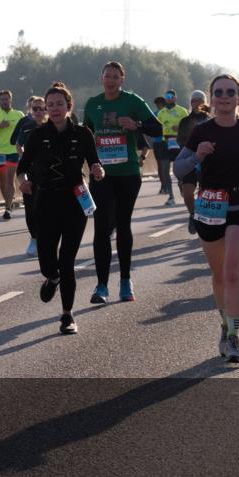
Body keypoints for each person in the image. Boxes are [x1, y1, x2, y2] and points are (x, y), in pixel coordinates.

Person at [173, 74, 239, 364]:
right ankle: (225, 326)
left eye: (230, 92)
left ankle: (235, 335)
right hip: (211, 208)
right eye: (219, 92)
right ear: (212, 99)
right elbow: (179, 169)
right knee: (218, 275)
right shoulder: (201, 132)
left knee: (231, 270)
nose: (224, 96)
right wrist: (197, 157)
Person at [18, 85, 104, 335]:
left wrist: (98, 171)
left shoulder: (82, 133)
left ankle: (67, 315)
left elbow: (94, 161)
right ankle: (51, 277)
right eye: (50, 105)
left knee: (67, 261)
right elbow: (22, 166)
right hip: (45, 202)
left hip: (75, 203)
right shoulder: (37, 135)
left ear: (69, 106)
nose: (54, 109)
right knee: (47, 261)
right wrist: (23, 180)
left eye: (59, 104)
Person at [82, 61, 163, 303]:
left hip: (127, 174)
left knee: (123, 224)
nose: (111, 80)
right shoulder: (92, 104)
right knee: (101, 229)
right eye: (107, 76)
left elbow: (157, 129)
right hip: (102, 176)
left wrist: (136, 125)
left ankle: (126, 281)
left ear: (122, 79)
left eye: (115, 77)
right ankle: (101, 286)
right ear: (101, 78)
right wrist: (89, 164)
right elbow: (85, 137)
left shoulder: (132, 101)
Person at [12, 95, 47, 256]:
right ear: (30, 110)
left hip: (49, 172)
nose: (39, 111)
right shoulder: (26, 126)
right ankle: (34, 238)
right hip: (30, 171)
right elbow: (18, 144)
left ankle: (49, 238)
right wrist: (26, 157)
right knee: (31, 208)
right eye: (35, 108)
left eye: (42, 108)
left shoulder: (53, 126)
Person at [177, 90, 211, 234]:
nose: (196, 103)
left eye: (199, 100)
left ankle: (205, 221)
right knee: (187, 193)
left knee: (205, 195)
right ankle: (192, 215)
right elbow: (180, 141)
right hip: (190, 160)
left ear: (205, 102)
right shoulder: (185, 121)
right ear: (190, 103)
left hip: (207, 162)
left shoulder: (211, 120)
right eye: (194, 100)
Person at [0, 90, 21, 219]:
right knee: (3, 182)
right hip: (0, 153)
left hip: (13, 151)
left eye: (7, 99)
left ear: (10, 100)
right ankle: (8, 204)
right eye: (2, 99)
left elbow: (24, 130)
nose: (5, 101)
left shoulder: (18, 115)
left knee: (11, 179)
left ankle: (7, 208)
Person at [156, 89, 189, 207]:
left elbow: (189, 128)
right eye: (167, 96)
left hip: (179, 142)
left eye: (171, 96)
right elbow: (157, 127)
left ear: (175, 98)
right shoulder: (161, 113)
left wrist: (180, 129)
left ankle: (181, 184)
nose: (168, 98)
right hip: (165, 142)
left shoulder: (183, 111)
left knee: (180, 169)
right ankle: (171, 197)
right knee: (165, 170)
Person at [151, 96, 169, 195]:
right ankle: (163, 185)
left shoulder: (166, 114)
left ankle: (165, 185)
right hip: (157, 142)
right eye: (157, 104)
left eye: (160, 104)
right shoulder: (154, 114)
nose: (158, 106)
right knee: (160, 164)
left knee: (163, 164)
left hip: (164, 141)